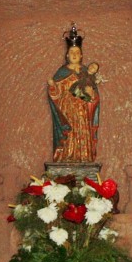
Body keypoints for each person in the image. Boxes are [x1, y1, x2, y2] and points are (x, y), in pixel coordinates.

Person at [48, 24, 100, 163]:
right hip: (67, 109)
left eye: (77, 53)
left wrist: (92, 96)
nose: (75, 55)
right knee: (69, 131)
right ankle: (66, 155)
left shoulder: (86, 73)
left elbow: (94, 97)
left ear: (82, 55)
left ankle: (83, 156)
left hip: (82, 111)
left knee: (82, 130)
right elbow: (56, 94)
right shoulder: (62, 72)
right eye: (72, 53)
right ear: (67, 55)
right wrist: (53, 86)